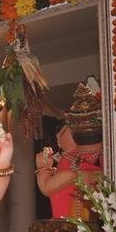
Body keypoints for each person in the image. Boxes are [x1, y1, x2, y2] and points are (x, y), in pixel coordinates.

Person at [35, 80, 103, 219]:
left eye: (63, 131)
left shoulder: (74, 160)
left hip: (69, 229)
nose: (58, 138)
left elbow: (47, 188)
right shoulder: (99, 158)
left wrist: (43, 168)